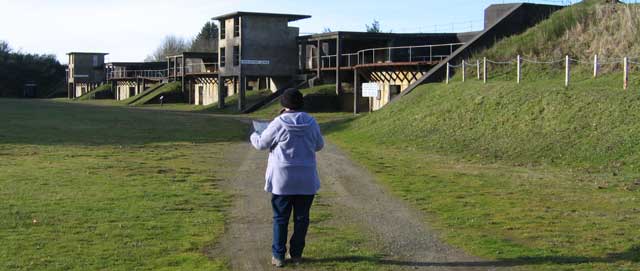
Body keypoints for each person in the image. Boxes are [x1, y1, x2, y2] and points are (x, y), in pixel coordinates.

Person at [250, 88, 324, 267]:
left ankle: (279, 256)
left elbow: (261, 144)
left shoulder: (279, 122)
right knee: (301, 218)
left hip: (282, 179)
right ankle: (297, 254)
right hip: (306, 178)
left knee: (281, 218)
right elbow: (319, 145)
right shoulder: (311, 122)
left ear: (283, 104)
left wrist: (254, 134)